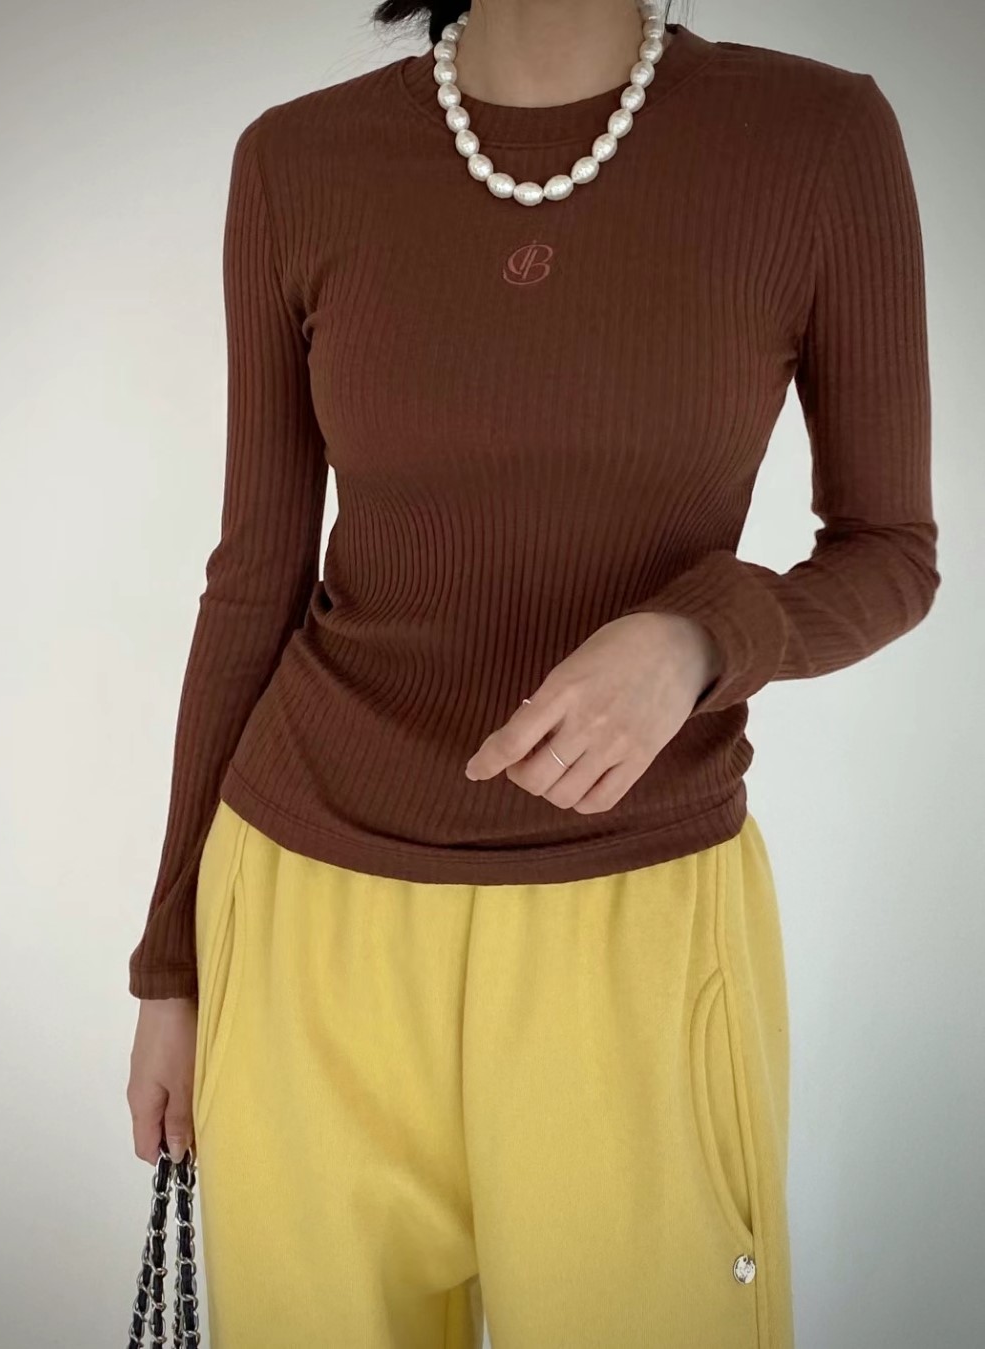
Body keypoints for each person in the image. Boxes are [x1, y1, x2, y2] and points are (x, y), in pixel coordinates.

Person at [124, 1, 939, 1344]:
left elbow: (890, 552)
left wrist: (699, 637)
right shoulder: (297, 161)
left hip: (632, 930)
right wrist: (173, 967)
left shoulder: (816, 139)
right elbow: (254, 578)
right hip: (307, 930)